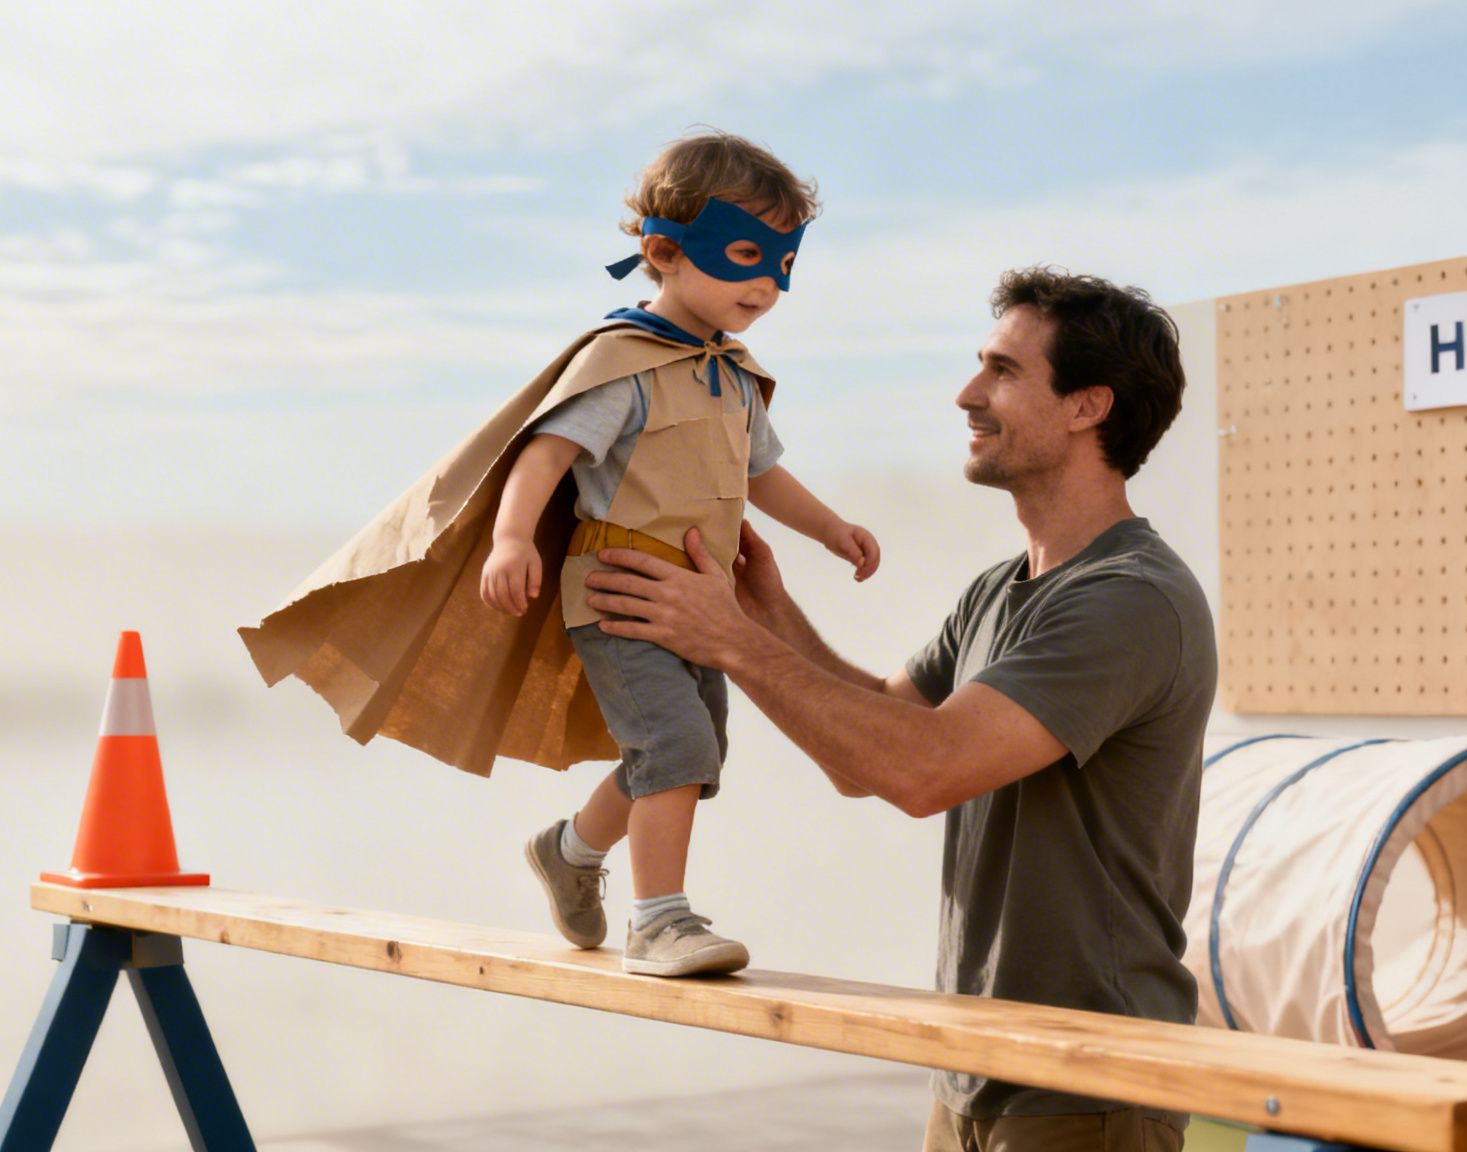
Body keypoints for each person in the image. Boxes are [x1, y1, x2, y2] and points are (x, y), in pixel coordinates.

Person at [580, 267, 1215, 1151]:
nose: (967, 394)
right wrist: (767, 614)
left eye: (1002, 372)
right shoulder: (1002, 589)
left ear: (1087, 407)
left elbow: (923, 770)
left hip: (1085, 1084)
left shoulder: (1129, 601)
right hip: (974, 1069)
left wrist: (730, 641)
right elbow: (866, 743)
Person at [239, 130, 877, 980]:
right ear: (664, 251)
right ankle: (660, 922)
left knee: (690, 752)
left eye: (783, 264)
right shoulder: (622, 362)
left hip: (703, 603)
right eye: (748, 255)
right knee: (678, 749)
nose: (767, 282)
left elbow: (766, 476)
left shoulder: (731, 372)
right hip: (620, 590)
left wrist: (831, 529)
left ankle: (571, 851)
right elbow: (543, 455)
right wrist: (510, 539)